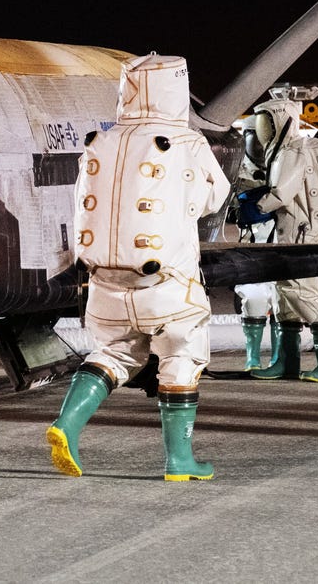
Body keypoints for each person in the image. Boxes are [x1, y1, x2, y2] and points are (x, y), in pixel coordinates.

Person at [47, 53, 230, 481]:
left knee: (112, 354)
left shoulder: (101, 138)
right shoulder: (185, 142)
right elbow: (212, 197)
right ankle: (180, 461)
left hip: (105, 285)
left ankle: (67, 426)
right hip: (168, 285)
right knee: (182, 357)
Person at [240, 94, 318, 382]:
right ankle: (285, 363)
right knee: (284, 296)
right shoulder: (284, 152)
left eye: (267, 123)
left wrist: (255, 206)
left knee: (300, 292)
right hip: (291, 232)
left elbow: (282, 192)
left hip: (299, 234)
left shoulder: (290, 152)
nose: (264, 130)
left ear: (280, 121)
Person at [232, 114, 281, 371]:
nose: (261, 145)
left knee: (282, 301)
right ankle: (253, 357)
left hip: (281, 242)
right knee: (253, 299)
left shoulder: (283, 164)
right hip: (251, 246)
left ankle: (278, 358)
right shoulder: (234, 171)